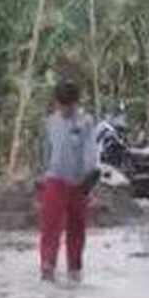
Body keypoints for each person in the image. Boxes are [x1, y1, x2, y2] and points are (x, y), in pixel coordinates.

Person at [37, 81, 101, 284]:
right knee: (50, 226)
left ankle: (74, 269)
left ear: (76, 103)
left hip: (79, 182)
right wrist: (41, 177)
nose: (65, 109)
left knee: (77, 227)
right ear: (56, 103)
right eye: (62, 105)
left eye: (69, 105)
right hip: (55, 179)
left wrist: (90, 178)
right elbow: (45, 151)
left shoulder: (86, 123)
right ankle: (47, 266)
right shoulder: (50, 122)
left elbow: (90, 151)